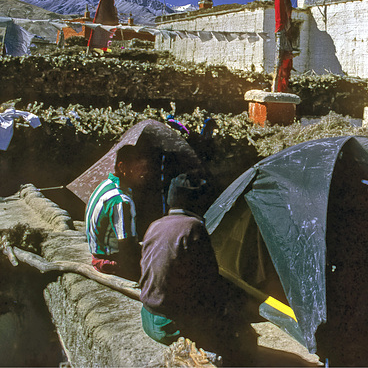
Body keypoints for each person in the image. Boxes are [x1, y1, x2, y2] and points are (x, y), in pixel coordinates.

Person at [139, 172, 256, 366]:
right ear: (197, 201)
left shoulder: (155, 225)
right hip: (170, 326)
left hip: (149, 317)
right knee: (237, 330)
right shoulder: (193, 227)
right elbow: (210, 280)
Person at [85, 144, 149, 281]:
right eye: (139, 169)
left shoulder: (105, 185)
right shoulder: (120, 201)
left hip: (97, 254)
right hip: (110, 261)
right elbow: (127, 247)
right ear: (122, 167)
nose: (144, 173)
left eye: (145, 168)